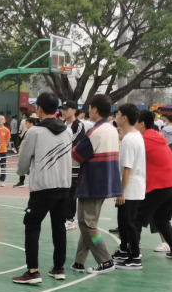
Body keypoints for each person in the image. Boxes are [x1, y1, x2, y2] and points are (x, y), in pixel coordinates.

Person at [13, 92, 73, 285]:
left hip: (42, 188)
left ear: (38, 109)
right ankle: (58, 268)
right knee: (59, 228)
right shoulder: (67, 131)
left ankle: (33, 271)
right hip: (64, 187)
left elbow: (24, 160)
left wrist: (21, 171)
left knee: (32, 227)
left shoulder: (35, 132)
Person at [71, 95, 122, 275]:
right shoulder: (112, 129)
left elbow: (76, 156)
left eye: (89, 107)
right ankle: (79, 261)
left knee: (87, 224)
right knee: (89, 223)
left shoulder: (95, 132)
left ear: (94, 109)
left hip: (92, 183)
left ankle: (105, 260)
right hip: (104, 182)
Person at [134, 110, 172, 262]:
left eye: (135, 122)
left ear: (141, 124)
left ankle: (133, 253)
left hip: (161, 185)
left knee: (136, 217)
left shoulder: (141, 139)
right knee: (162, 219)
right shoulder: (159, 137)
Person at [110, 104, 147, 271]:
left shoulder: (129, 140)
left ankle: (135, 257)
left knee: (129, 223)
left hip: (130, 188)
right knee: (123, 222)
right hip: (133, 186)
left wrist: (121, 192)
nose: (115, 117)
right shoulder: (136, 135)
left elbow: (127, 168)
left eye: (118, 114)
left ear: (124, 118)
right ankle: (125, 251)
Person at [61, 101, 86, 231]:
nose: (63, 111)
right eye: (62, 109)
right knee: (63, 190)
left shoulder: (79, 125)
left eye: (67, 109)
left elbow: (72, 141)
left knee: (71, 191)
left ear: (74, 110)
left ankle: (70, 219)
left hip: (74, 164)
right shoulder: (61, 124)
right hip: (62, 163)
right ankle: (63, 216)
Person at [14, 116, 39, 188]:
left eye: (27, 123)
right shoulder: (28, 132)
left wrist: (21, 150)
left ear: (31, 123)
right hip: (30, 152)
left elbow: (24, 142)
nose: (26, 125)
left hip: (31, 153)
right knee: (24, 166)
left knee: (29, 166)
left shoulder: (32, 132)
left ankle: (31, 182)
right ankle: (22, 181)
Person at [0, 115, 11, 188]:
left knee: (3, 166)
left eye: (2, 119)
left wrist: (4, 146)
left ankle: (2, 180)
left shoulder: (6, 130)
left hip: (3, 150)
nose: (0, 120)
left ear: (4, 121)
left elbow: (7, 140)